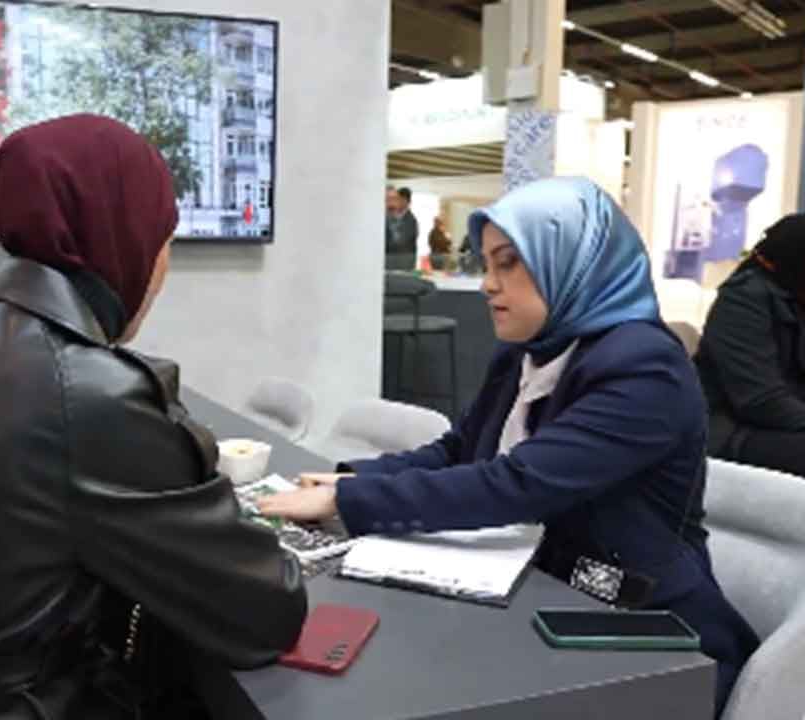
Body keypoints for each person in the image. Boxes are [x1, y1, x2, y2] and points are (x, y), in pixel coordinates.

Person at [0, 114, 307, 719]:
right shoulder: (90, 395)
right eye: (165, 241)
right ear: (124, 236)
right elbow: (264, 615)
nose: (164, 270)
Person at [259, 177, 758, 715]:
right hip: (540, 593)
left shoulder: (645, 367)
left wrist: (347, 504)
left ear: (573, 261)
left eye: (509, 263)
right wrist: (356, 478)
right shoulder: (531, 350)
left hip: (638, 631)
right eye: (487, 264)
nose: (487, 285)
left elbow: (517, 483)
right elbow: (461, 450)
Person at [693, 212, 805, 698]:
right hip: (732, 431)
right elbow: (759, 398)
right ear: (793, 259)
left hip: (794, 424)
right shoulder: (743, 301)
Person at [385, 186, 418, 270]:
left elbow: (401, 242)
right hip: (389, 265)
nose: (394, 203)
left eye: (395, 199)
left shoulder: (411, 220)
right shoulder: (389, 218)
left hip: (402, 265)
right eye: (388, 199)